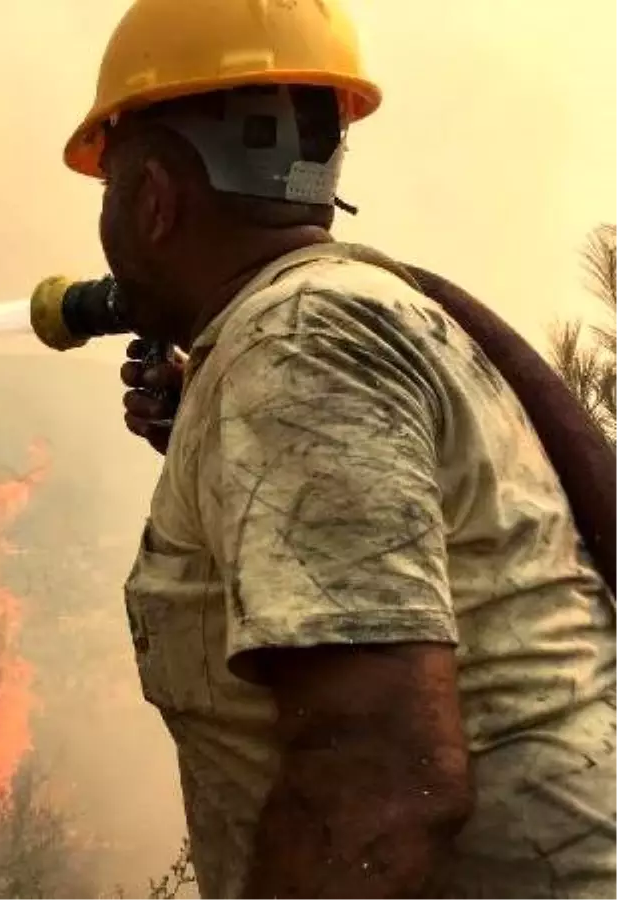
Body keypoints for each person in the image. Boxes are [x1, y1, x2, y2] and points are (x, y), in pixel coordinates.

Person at [60, 0, 617, 897]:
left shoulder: (295, 348)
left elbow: (383, 781)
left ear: (155, 199)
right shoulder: (342, 319)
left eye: (108, 186)